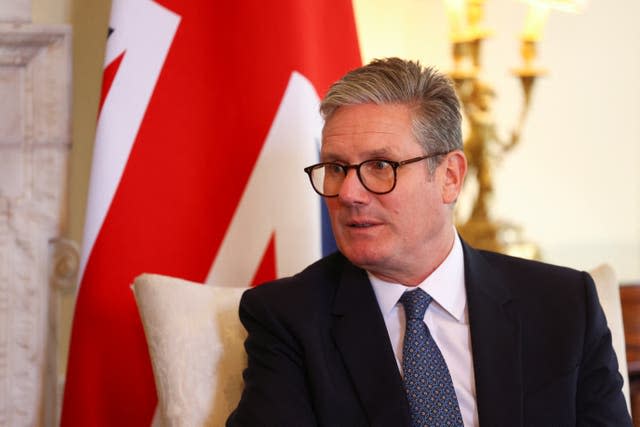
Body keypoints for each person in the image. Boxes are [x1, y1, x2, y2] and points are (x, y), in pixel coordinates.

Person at [226, 57, 631, 426]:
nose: (348, 193)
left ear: (450, 177)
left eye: (380, 166)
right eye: (335, 167)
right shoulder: (288, 320)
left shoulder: (563, 305)